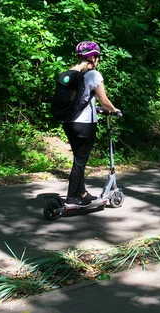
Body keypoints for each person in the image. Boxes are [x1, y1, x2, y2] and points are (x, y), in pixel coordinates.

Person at [63, 41, 120, 205]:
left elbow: (83, 99)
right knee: (80, 162)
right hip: (85, 125)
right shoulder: (93, 75)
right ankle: (72, 196)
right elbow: (104, 100)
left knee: (78, 159)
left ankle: (81, 193)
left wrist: (99, 109)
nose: (98, 60)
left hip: (69, 122)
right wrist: (114, 110)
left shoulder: (72, 74)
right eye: (97, 56)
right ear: (93, 57)